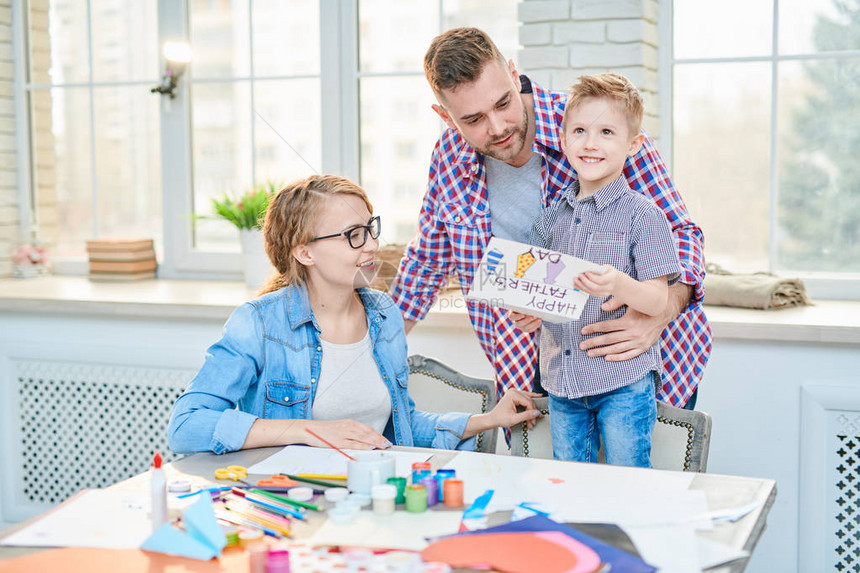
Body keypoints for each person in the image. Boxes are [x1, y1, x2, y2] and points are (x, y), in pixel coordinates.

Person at [389, 27, 710, 411]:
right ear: (445, 116)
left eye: (503, 103)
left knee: (640, 472)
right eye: (473, 119)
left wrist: (659, 312)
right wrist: (371, 353)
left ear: (513, 73)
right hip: (532, 373)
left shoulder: (592, 124)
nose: (498, 127)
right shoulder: (449, 157)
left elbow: (681, 233)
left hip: (642, 362)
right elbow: (426, 264)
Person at [168, 174, 541, 455]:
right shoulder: (259, 323)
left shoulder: (384, 314)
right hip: (291, 502)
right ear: (304, 253)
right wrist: (306, 431)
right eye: (353, 235)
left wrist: (490, 418)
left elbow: (403, 426)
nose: (372, 245)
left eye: (370, 229)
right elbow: (187, 425)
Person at [511, 73, 681, 466]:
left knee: (628, 478)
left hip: (622, 383)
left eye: (606, 132)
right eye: (580, 131)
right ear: (564, 137)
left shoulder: (644, 215)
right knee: (569, 482)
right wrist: (531, 311)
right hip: (562, 381)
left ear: (633, 145)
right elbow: (544, 288)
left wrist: (620, 284)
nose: (590, 143)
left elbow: (657, 300)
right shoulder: (551, 218)